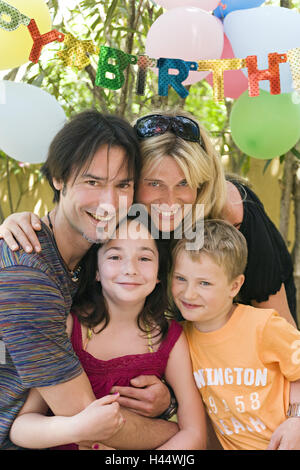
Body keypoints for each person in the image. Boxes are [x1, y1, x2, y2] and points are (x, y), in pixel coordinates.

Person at [1, 110, 296, 326]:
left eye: (184, 183)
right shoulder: (120, 214)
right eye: (154, 183)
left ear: (202, 184)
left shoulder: (232, 211)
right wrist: (23, 222)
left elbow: (282, 330)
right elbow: (75, 215)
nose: (169, 201)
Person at [0, 110, 177, 450]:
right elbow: (88, 417)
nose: (109, 203)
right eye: (92, 182)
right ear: (59, 178)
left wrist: (167, 401)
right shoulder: (27, 273)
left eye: (123, 185)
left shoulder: (92, 260)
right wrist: (188, 434)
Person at [9, 215, 206, 450]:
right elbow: (21, 427)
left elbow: (194, 434)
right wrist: (76, 428)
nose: (130, 269)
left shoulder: (169, 338)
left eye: (144, 258)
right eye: (115, 256)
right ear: (96, 271)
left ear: (158, 275)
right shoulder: (70, 327)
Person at [171, 219, 300, 450]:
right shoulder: (181, 340)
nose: (188, 293)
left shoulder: (262, 326)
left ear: (234, 286)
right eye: (181, 278)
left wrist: (297, 420)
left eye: (204, 283)